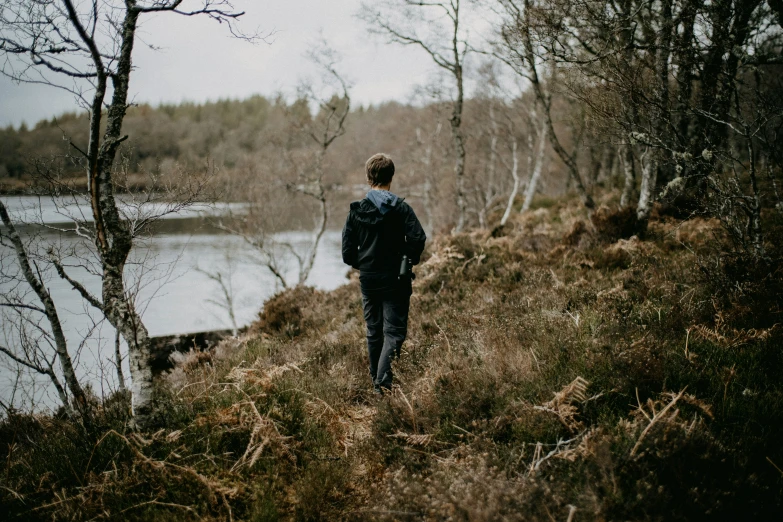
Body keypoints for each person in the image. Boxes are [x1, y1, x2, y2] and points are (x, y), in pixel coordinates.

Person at [342, 153, 426, 395]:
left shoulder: (355, 211)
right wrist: (406, 259)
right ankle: (383, 384)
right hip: (395, 279)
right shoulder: (400, 208)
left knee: (373, 330)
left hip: (369, 279)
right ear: (391, 177)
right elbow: (418, 238)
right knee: (394, 332)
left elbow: (348, 254)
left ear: (369, 178)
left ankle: (376, 381)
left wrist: (367, 264)